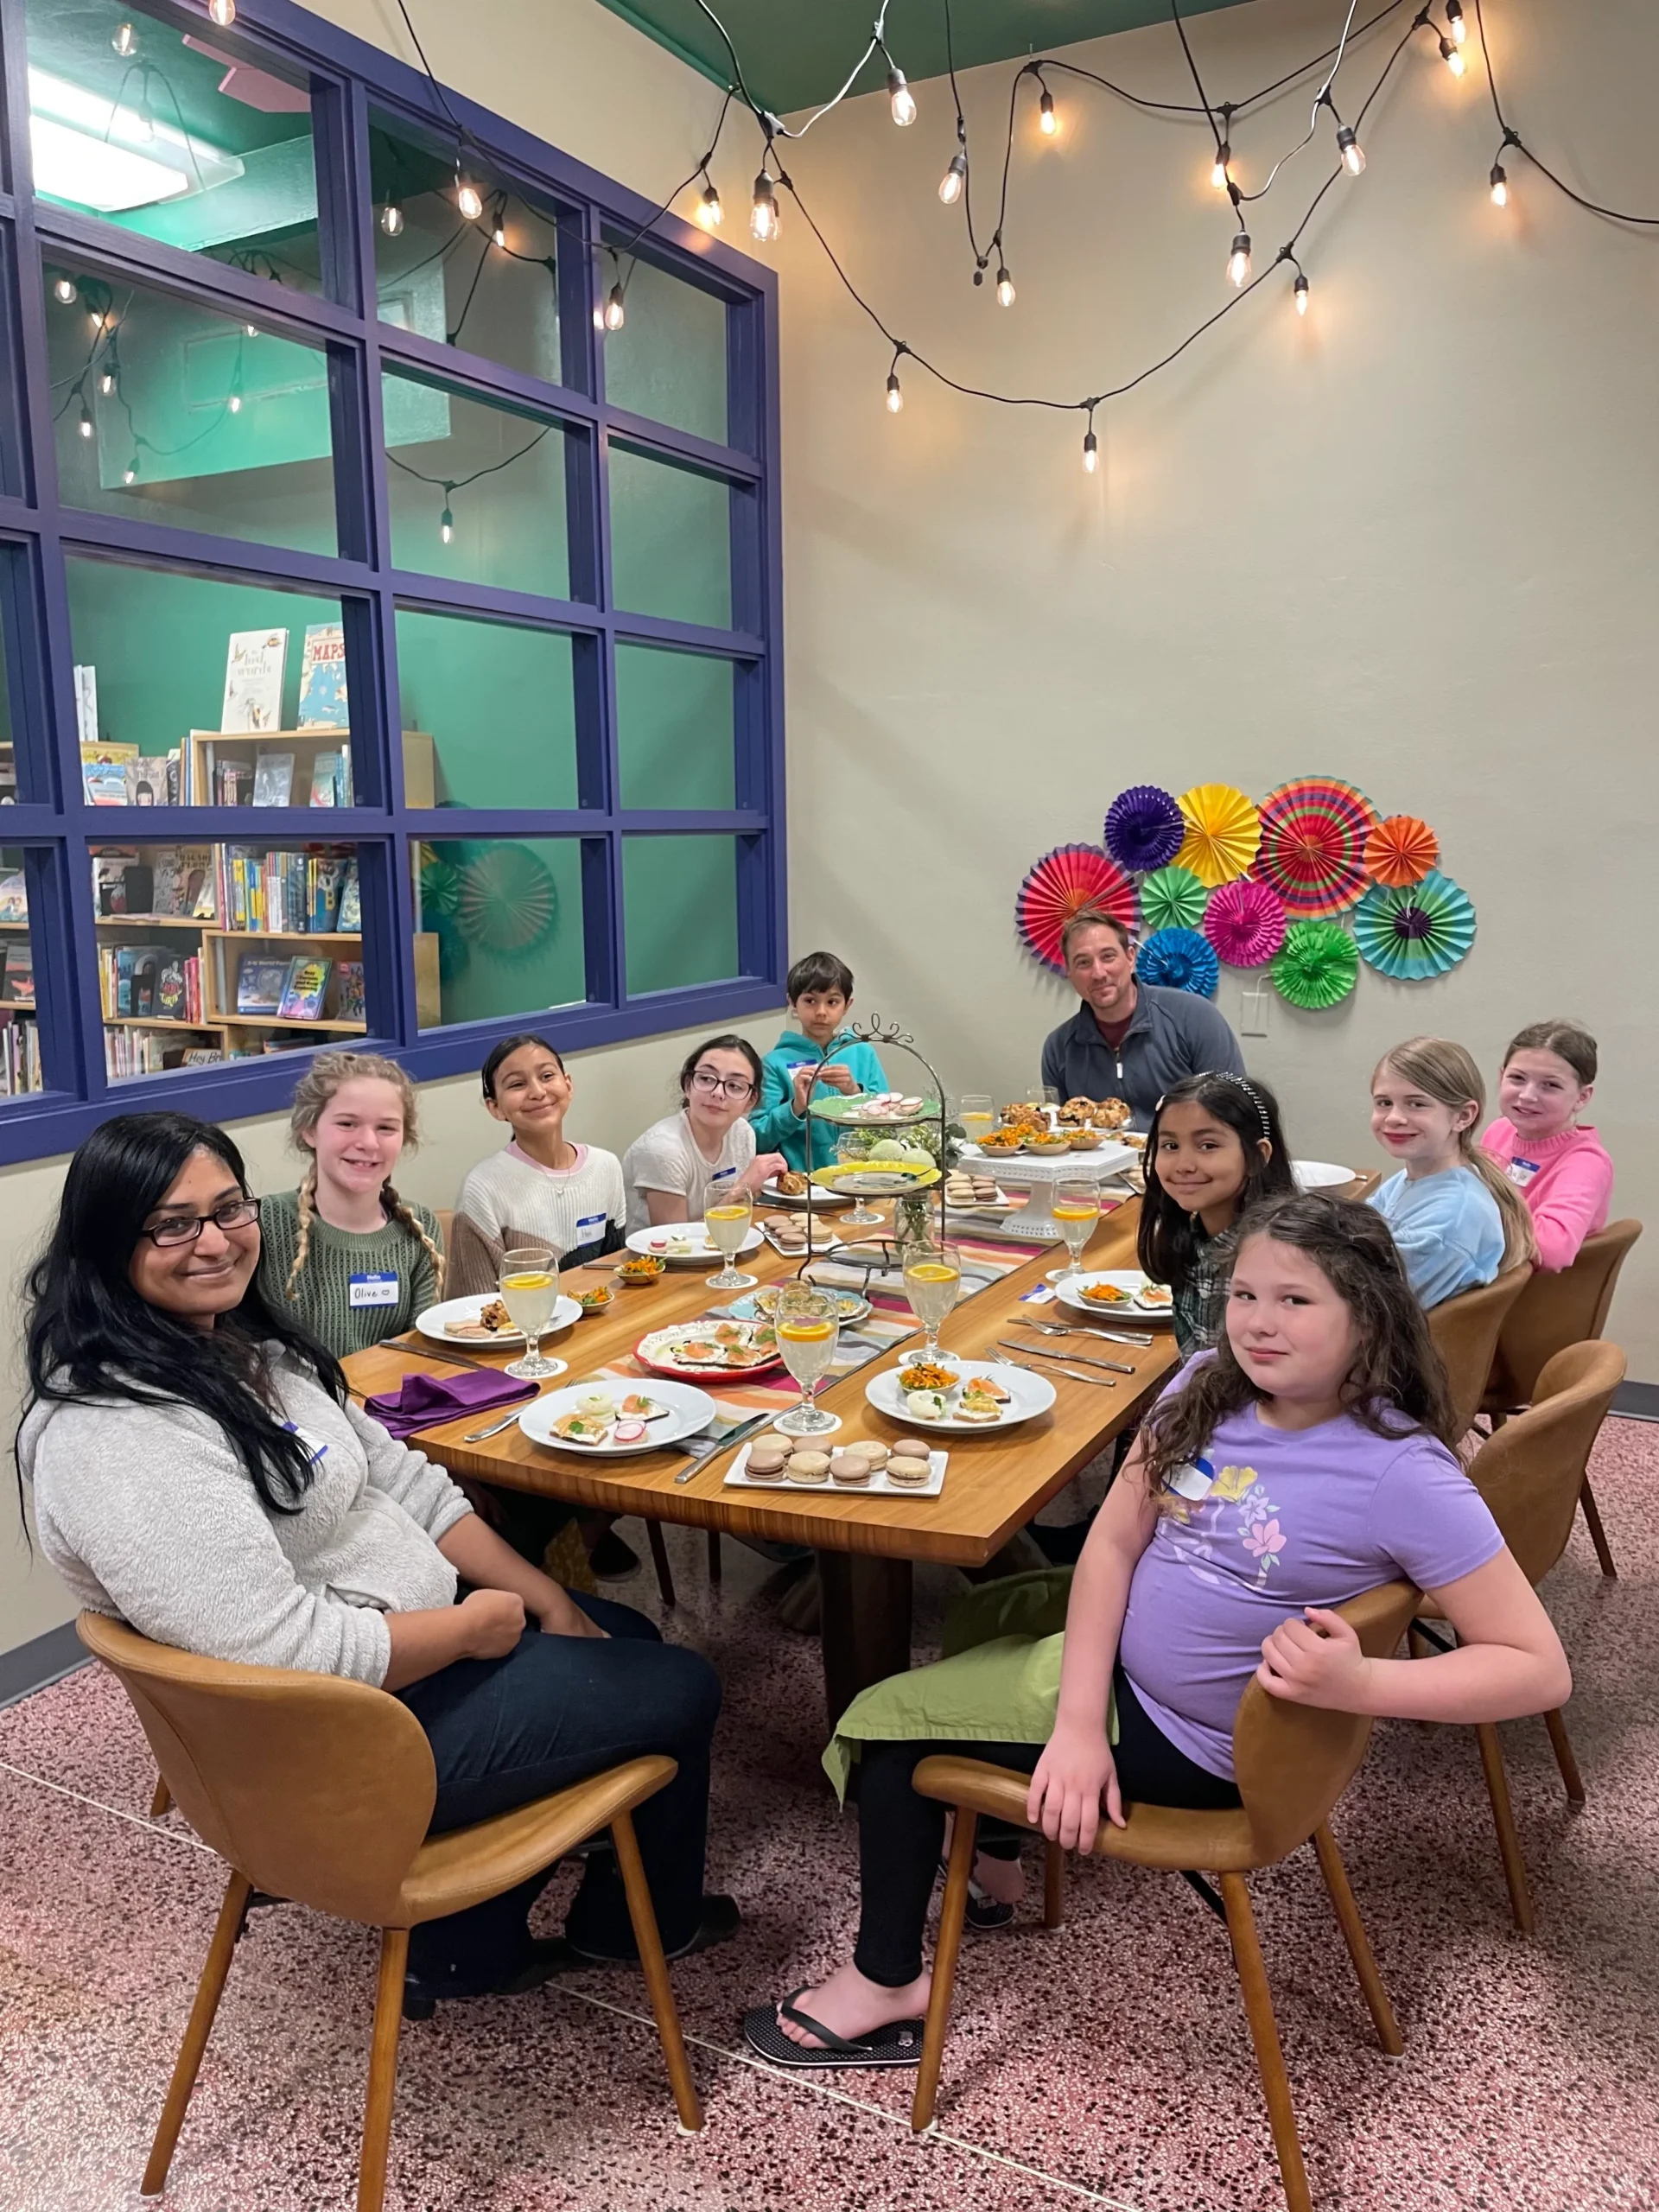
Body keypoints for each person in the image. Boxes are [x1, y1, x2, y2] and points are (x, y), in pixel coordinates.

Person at [741, 1193, 1568, 2069]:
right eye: (1245, 1294)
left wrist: (1364, 1685)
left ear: (1370, 1315)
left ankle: (887, 1980)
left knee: (887, 1730)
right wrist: (1071, 1726)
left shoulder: (1403, 1472)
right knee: (984, 1608)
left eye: (1296, 1300)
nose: (1258, 1322)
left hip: (1203, 1743)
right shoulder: (1208, 1381)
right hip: (1130, 1688)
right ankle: (996, 1851)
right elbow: (1114, 1543)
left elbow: (1536, 1667)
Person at [19, 1112, 733, 2012]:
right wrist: (476, 1627)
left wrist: (544, 1595)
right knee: (679, 1682)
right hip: (336, 1747)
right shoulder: (118, 1435)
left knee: (615, 1630)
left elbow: (408, 1481)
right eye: (171, 1223)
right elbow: (279, 1653)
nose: (213, 1241)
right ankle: (625, 1929)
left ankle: (469, 1940)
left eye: (228, 1208)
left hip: (389, 1682)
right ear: (105, 1244)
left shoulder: (239, 1349)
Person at [257, 1051, 444, 1359]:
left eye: (386, 1128)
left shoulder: (419, 1230)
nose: (369, 1143)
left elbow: (419, 1357)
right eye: (347, 1124)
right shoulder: (265, 1223)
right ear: (309, 1130)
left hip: (384, 1402)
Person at [1139, 1071, 1297, 1357]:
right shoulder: (1191, 1242)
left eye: (1207, 1146)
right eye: (1171, 1146)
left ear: (1258, 1157)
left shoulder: (1277, 1257)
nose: (1184, 1164)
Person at [1368, 1037, 1535, 1307]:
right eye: (1384, 1103)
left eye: (1416, 1104)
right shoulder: (1410, 1180)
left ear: (1463, 1117)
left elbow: (1369, 1301)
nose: (1394, 1118)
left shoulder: (1450, 1220)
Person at [1039, 909, 1246, 1128]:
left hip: (1184, 1159)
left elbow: (1234, 1114)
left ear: (1130, 958)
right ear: (1069, 972)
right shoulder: (1059, 1048)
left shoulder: (1195, 1018)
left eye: (1108, 956)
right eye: (1083, 963)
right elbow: (1062, 1134)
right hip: (1099, 1162)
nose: (1099, 973)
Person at [454, 1033, 626, 1268]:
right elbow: (475, 1300)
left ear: (568, 1084)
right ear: (495, 1108)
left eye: (547, 1076)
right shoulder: (483, 1187)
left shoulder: (606, 1166)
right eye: (517, 1084)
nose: (537, 1092)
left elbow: (617, 1272)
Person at [1480, 1020, 1612, 1272]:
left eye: (1550, 1085)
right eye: (1517, 1078)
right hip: (1492, 1272)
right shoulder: (1500, 1130)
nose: (1528, 1095)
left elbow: (1552, 1250)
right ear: (1501, 1077)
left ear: (1582, 1097)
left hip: (1524, 1295)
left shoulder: (1586, 1162)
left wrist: (1476, 1218)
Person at [623, 1033, 785, 1231]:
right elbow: (675, 1242)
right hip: (661, 1259)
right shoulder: (663, 1150)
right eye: (707, 1079)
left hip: (723, 1246)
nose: (718, 1092)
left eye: (734, 1086)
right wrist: (742, 1190)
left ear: (750, 1101)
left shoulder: (743, 1133)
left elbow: (737, 1220)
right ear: (688, 1085)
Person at [750, 951, 889, 1174]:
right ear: (792, 1003)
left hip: (862, 1182)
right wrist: (795, 1108)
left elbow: (888, 1131)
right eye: (810, 1001)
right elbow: (756, 1139)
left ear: (847, 1005)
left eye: (832, 1002)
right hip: (802, 1186)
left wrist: (854, 1093)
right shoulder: (774, 1063)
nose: (821, 1012)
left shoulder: (862, 1053)